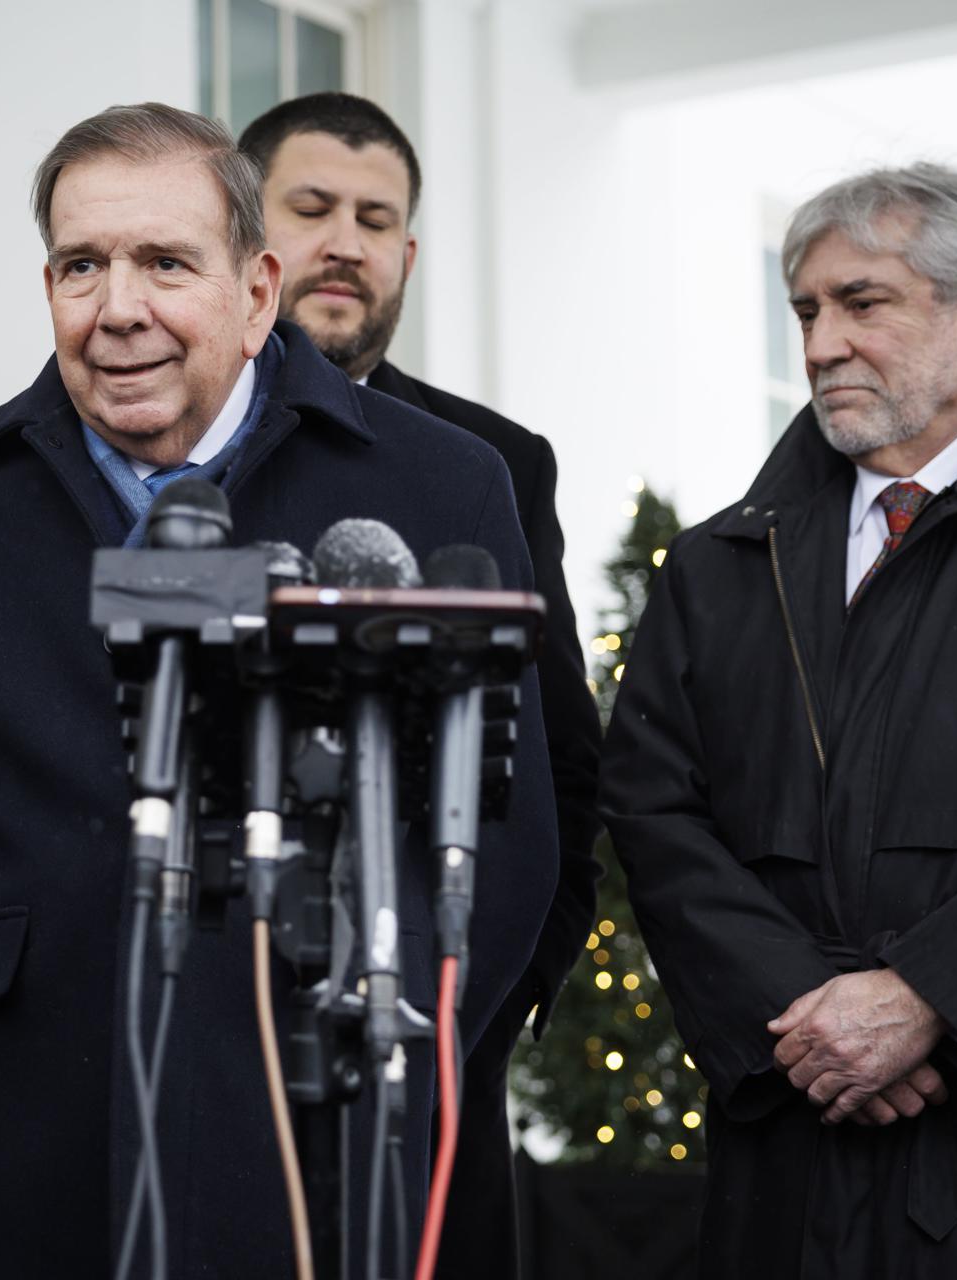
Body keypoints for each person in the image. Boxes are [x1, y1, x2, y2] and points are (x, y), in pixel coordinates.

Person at [0, 102, 558, 1276]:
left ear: (256, 292)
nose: (119, 306)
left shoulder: (443, 483)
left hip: (323, 1138)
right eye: (81, 264)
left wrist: (391, 1053)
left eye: (165, 263)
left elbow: (513, 838)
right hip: (17, 1135)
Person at [600, 162, 957, 1276]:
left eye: (863, 302)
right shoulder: (717, 563)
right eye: (806, 309)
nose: (822, 342)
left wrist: (941, 994)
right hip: (787, 1166)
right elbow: (652, 808)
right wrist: (809, 1020)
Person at [241, 93, 603, 1277]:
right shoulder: (160, 434)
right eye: (312, 207)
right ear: (245, 230)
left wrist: (493, 999)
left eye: (376, 217)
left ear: (408, 252)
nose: (346, 239)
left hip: (432, 1045)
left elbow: (560, 756)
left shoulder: (491, 464)